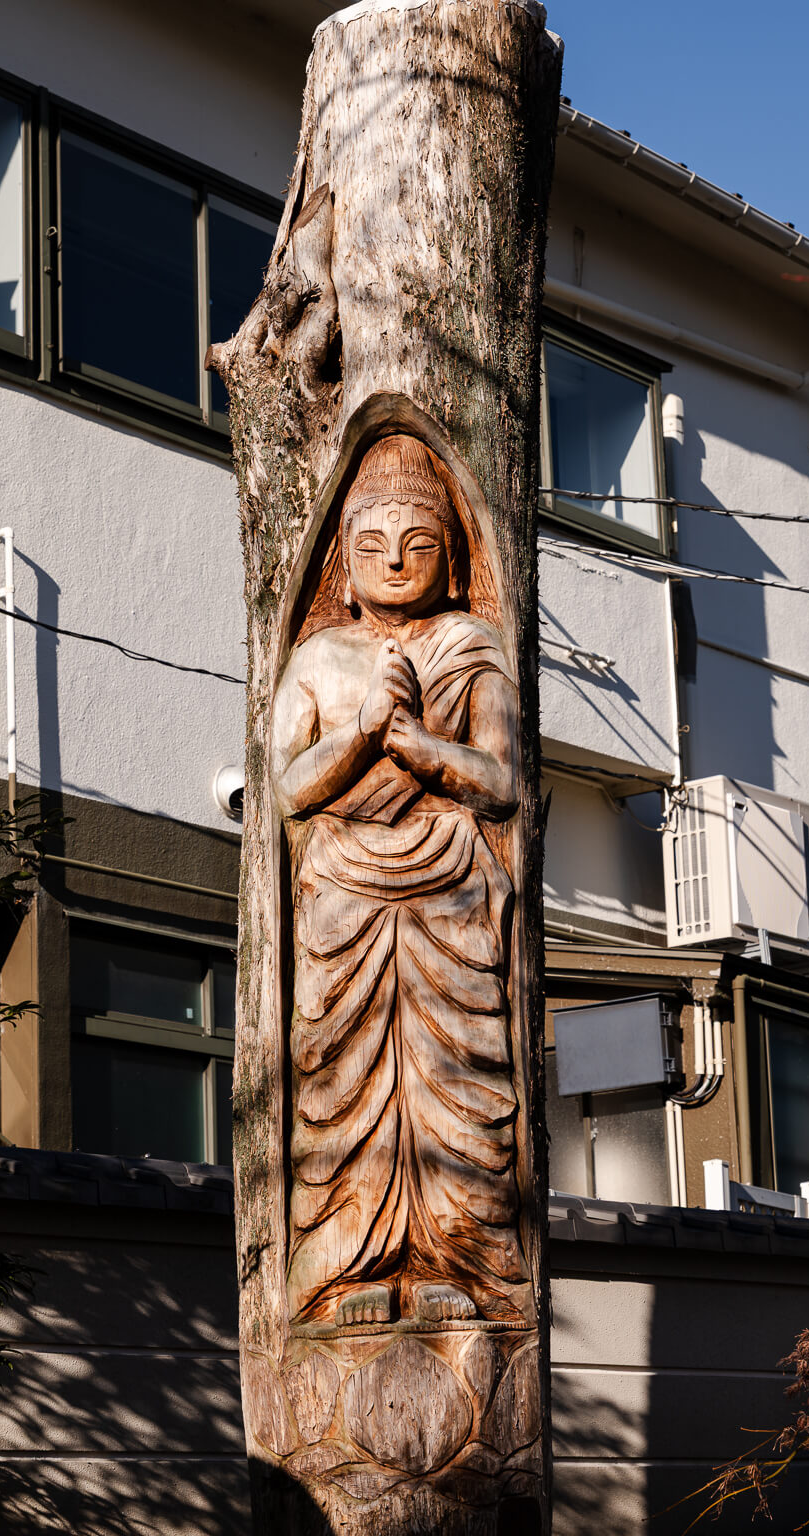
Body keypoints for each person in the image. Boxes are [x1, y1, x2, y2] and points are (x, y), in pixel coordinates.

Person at [271, 434, 532, 1328]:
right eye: (371, 544)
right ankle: (352, 1262)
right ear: (341, 559)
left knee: (450, 1084)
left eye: (417, 544)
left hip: (448, 887)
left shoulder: (471, 644)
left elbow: (499, 783)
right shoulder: (318, 657)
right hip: (342, 885)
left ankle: (454, 1261)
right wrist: (360, 734)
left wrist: (418, 745)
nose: (393, 561)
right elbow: (288, 788)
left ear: (450, 557)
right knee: (343, 1087)